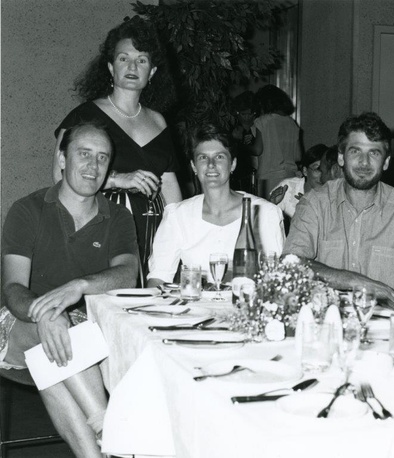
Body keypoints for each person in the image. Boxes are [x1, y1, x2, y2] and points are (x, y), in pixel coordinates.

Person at [0, 122, 139, 457]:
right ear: (62, 159)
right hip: (18, 327)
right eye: (84, 154)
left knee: (54, 357)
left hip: (83, 330)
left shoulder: (118, 216)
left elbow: (127, 275)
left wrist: (79, 286)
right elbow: (14, 288)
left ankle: (97, 454)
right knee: (64, 332)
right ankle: (109, 427)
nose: (93, 166)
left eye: (102, 158)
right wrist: (46, 313)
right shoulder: (27, 209)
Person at [53, 16, 182, 281]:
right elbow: (59, 177)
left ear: (153, 72)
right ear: (111, 67)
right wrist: (118, 179)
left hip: (154, 231)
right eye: (124, 58)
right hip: (101, 226)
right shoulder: (85, 116)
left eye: (142, 60)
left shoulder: (159, 121)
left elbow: (170, 187)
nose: (133, 66)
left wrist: (181, 233)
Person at [284, 112, 394, 313]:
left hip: (381, 329)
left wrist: (375, 314)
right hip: (323, 323)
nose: (364, 162)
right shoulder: (314, 204)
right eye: (355, 151)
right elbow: (291, 264)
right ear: (341, 158)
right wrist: (355, 282)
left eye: (374, 153)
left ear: (386, 162)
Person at [147, 123, 285, 286]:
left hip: (247, 307)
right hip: (194, 307)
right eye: (203, 157)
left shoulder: (265, 213)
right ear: (193, 166)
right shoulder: (177, 215)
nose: (211, 164)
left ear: (232, 164)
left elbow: (278, 279)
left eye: (219, 156)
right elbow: (158, 278)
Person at [250, 84, 302, 197]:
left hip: (269, 178)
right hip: (290, 177)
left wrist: (243, 146)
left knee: (268, 212)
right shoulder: (292, 123)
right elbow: (298, 156)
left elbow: (257, 150)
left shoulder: (263, 121)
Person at [269, 143, 328, 219]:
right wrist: (272, 204)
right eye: (317, 169)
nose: (322, 176)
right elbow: (265, 222)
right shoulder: (288, 187)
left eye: (326, 170)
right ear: (305, 171)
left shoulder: (333, 194)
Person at [230, 90, 258, 191]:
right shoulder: (233, 128)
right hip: (237, 175)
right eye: (243, 114)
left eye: (250, 114)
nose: (247, 117)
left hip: (256, 172)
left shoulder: (259, 126)